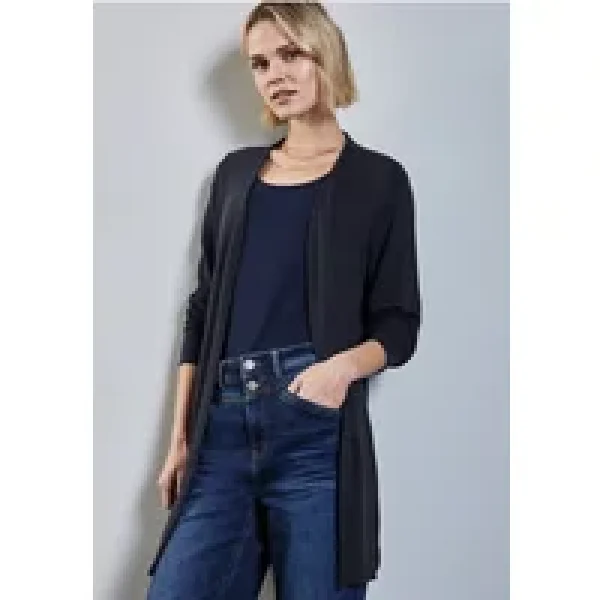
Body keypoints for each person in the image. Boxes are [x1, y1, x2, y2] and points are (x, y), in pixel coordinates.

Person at [146, 2, 422, 599]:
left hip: (314, 436)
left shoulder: (379, 180)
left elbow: (399, 324)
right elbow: (202, 311)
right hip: (220, 431)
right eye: (261, 63)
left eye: (291, 54)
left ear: (326, 51)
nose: (276, 74)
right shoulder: (234, 176)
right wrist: (180, 439)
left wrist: (339, 371)